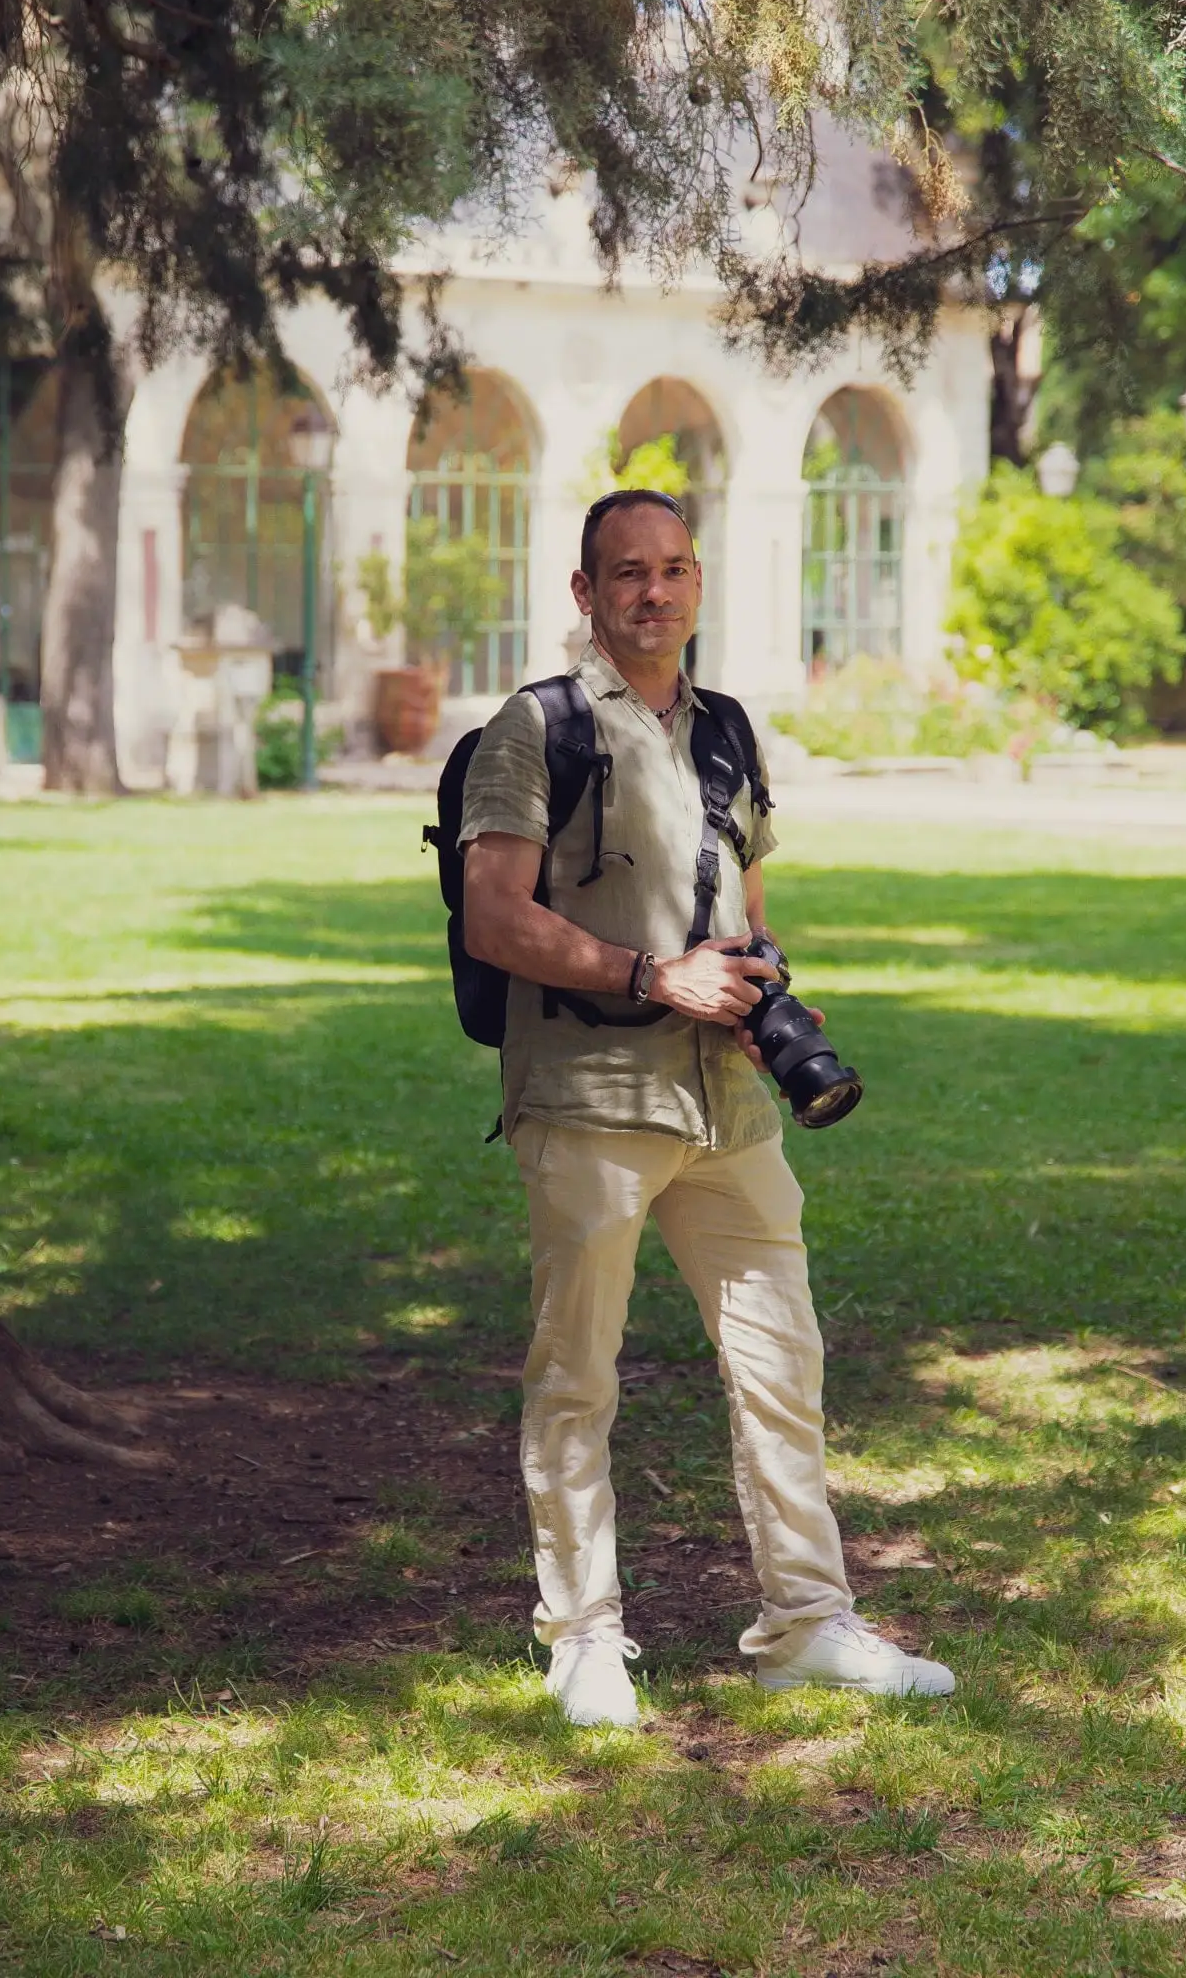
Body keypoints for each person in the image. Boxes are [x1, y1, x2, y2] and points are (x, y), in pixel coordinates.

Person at [459, 488, 955, 1727]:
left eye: (675, 567)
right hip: (592, 1098)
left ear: (698, 580)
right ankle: (583, 1636)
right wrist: (651, 974)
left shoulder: (728, 725)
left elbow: (747, 903)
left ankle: (807, 1624)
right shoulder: (538, 727)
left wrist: (767, 986)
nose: (655, 590)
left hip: (730, 1106)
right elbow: (495, 918)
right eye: (628, 571)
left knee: (785, 1362)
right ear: (586, 591)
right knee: (578, 1376)